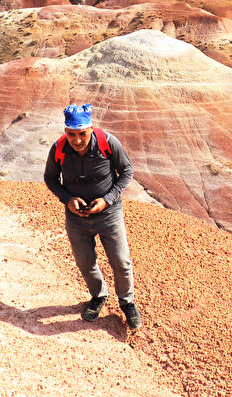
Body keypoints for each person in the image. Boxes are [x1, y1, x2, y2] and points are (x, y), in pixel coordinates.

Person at [43, 103, 141, 329]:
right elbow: (50, 178)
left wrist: (107, 199)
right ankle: (98, 295)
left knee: (121, 261)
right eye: (71, 134)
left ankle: (127, 302)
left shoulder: (108, 142)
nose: (77, 140)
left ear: (90, 129)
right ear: (65, 132)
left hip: (109, 214)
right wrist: (68, 199)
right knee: (85, 263)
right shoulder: (58, 148)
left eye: (82, 134)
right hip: (76, 218)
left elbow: (126, 171)